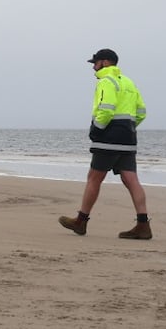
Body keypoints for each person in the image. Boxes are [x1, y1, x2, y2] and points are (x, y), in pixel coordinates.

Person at [58, 48, 152, 239]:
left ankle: (81, 221)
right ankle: (143, 225)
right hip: (128, 137)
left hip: (108, 137)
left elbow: (106, 109)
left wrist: (97, 129)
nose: (93, 67)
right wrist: (129, 128)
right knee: (131, 180)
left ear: (106, 62)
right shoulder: (128, 82)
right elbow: (141, 112)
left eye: (96, 62)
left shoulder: (106, 82)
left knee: (94, 177)